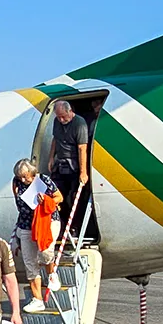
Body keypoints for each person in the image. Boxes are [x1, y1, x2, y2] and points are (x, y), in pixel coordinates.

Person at [11, 159, 62, 312]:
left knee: (45, 251)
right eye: (20, 177)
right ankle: (37, 299)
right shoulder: (16, 183)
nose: (22, 180)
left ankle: (52, 273)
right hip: (26, 223)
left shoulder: (43, 180)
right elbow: (19, 203)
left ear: (32, 173)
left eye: (25, 176)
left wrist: (46, 200)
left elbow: (59, 197)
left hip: (47, 219)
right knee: (29, 261)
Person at [48, 100, 98, 245]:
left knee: (77, 196)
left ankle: (76, 227)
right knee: (57, 196)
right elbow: (55, 140)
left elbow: (82, 148)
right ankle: (63, 226)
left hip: (74, 164)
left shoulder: (79, 124)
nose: (62, 120)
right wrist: (51, 158)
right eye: (59, 117)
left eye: (64, 116)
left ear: (70, 111)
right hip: (60, 163)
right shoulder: (57, 123)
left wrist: (83, 172)